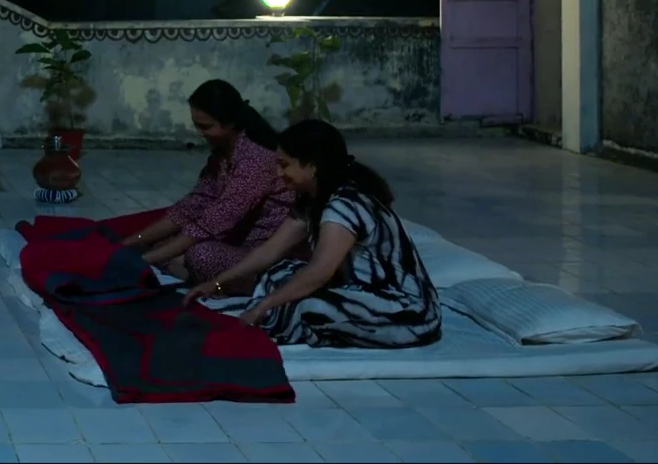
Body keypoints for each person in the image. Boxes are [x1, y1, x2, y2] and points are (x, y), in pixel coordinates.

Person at [184, 118, 443, 350]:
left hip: (404, 310)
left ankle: (279, 322)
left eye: (284, 165)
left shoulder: (345, 204)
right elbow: (270, 251)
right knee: (278, 272)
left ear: (312, 166)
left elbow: (320, 271)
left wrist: (265, 305)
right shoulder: (311, 201)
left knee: (308, 306)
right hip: (358, 291)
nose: (278, 173)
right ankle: (278, 318)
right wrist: (216, 283)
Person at [119, 80, 295, 284]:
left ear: (231, 123)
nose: (199, 133)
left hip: (260, 252)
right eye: (197, 126)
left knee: (200, 254)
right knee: (162, 242)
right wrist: (128, 243)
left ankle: (215, 281)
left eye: (206, 127)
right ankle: (181, 271)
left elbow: (212, 223)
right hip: (233, 240)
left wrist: (141, 261)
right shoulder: (222, 155)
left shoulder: (255, 160)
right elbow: (190, 206)